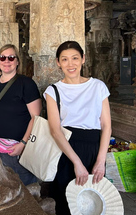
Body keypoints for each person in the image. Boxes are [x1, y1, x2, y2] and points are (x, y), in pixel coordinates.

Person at [44, 41, 112, 215]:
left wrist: (100, 161)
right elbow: (55, 131)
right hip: (66, 152)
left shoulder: (98, 86)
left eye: (75, 58)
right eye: (64, 59)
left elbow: (106, 125)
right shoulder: (53, 91)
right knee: (67, 203)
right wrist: (76, 162)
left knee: (93, 203)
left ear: (83, 59)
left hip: (94, 149)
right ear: (58, 63)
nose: (70, 64)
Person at [0, 44, 42, 185]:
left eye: (11, 57)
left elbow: (36, 118)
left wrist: (23, 143)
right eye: (3, 57)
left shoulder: (26, 84)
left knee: (24, 191)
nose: (7, 61)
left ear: (17, 61)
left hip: (17, 150)